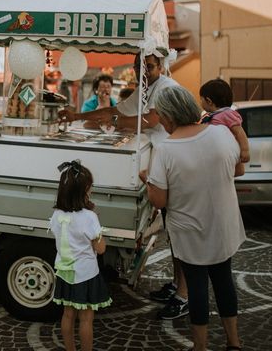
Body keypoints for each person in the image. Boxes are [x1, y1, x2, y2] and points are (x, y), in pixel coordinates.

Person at [58, 53, 189, 320]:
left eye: (149, 67)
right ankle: (177, 286)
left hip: (175, 169)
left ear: (161, 67)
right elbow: (115, 111)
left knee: (181, 238)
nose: (144, 72)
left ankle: (184, 296)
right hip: (159, 170)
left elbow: (152, 119)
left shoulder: (166, 87)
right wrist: (76, 116)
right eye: (139, 67)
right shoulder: (146, 88)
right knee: (174, 234)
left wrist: (113, 122)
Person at [140, 85, 245, 351]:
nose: (161, 122)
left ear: (171, 116)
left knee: (197, 287)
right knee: (224, 281)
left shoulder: (166, 150)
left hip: (190, 230)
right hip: (223, 224)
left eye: (161, 117)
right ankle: (234, 342)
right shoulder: (221, 134)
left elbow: (159, 200)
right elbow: (239, 169)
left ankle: (200, 346)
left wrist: (147, 180)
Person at [50, 160, 112, 351]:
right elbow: (100, 248)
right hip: (85, 274)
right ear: (83, 191)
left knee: (67, 314)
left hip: (64, 271)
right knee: (86, 318)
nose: (91, 190)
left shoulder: (56, 215)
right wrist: (104, 239)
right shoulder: (89, 217)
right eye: (89, 187)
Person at [199, 79, 250, 176]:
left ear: (209, 101)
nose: (200, 102)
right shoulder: (212, 115)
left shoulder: (227, 114)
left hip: (226, 152)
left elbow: (239, 132)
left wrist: (245, 150)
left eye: (201, 99)